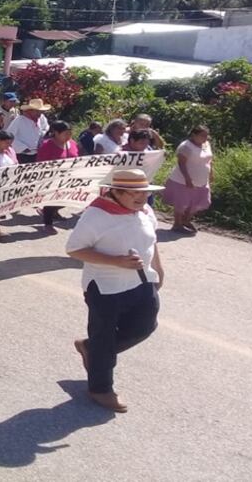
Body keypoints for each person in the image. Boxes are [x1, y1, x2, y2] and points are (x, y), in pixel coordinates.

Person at [66, 168, 165, 412]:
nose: (141, 198)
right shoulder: (96, 215)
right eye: (134, 193)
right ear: (117, 192)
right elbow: (74, 249)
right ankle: (100, 389)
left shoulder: (144, 211)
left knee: (145, 325)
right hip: (105, 287)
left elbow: (152, 241)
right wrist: (116, 261)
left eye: (144, 192)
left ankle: (92, 349)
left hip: (141, 281)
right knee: (104, 335)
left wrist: (159, 268)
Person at [163, 125, 213, 234]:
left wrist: (211, 173)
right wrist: (187, 179)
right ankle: (177, 224)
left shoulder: (206, 144)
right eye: (202, 135)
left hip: (202, 180)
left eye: (206, 135)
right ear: (193, 135)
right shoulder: (186, 146)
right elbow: (181, 163)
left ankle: (186, 221)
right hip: (183, 180)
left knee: (197, 201)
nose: (205, 138)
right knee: (181, 202)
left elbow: (209, 160)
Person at [37, 120, 80, 231]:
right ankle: (48, 223)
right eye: (65, 133)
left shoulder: (73, 144)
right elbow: (41, 163)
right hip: (53, 178)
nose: (69, 136)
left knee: (70, 198)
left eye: (70, 133)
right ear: (56, 133)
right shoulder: (47, 145)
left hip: (70, 178)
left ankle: (54, 212)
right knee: (51, 200)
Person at [6, 98, 50, 163]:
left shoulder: (41, 117)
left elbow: (45, 127)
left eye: (41, 111)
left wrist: (41, 136)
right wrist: (22, 148)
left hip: (37, 153)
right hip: (22, 155)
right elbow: (9, 136)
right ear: (30, 111)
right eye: (37, 111)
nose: (39, 113)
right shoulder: (19, 120)